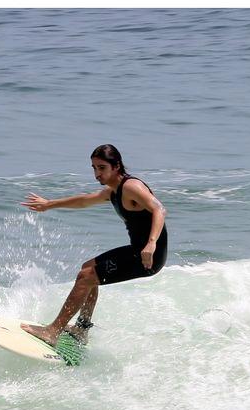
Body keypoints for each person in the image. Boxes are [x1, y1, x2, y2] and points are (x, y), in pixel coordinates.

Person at [20, 144, 168, 346]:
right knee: (87, 269)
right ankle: (81, 328)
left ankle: (53, 331)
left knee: (85, 278)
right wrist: (49, 204)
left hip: (149, 256)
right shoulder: (113, 191)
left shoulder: (132, 187)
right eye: (94, 168)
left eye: (101, 168)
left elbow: (159, 209)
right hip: (137, 250)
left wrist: (151, 244)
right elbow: (83, 201)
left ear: (116, 167)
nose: (96, 173)